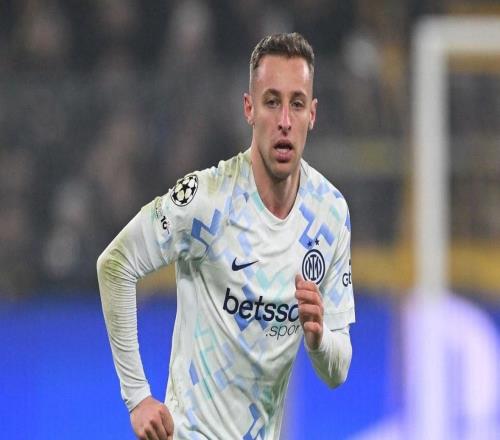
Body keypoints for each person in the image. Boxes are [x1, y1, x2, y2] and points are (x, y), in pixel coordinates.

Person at [97, 32, 355, 440]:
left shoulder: (330, 214)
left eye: (297, 103)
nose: (284, 121)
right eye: (271, 102)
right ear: (249, 109)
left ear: (313, 114)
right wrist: (138, 397)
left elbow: (338, 371)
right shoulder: (207, 200)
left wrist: (319, 338)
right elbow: (115, 264)